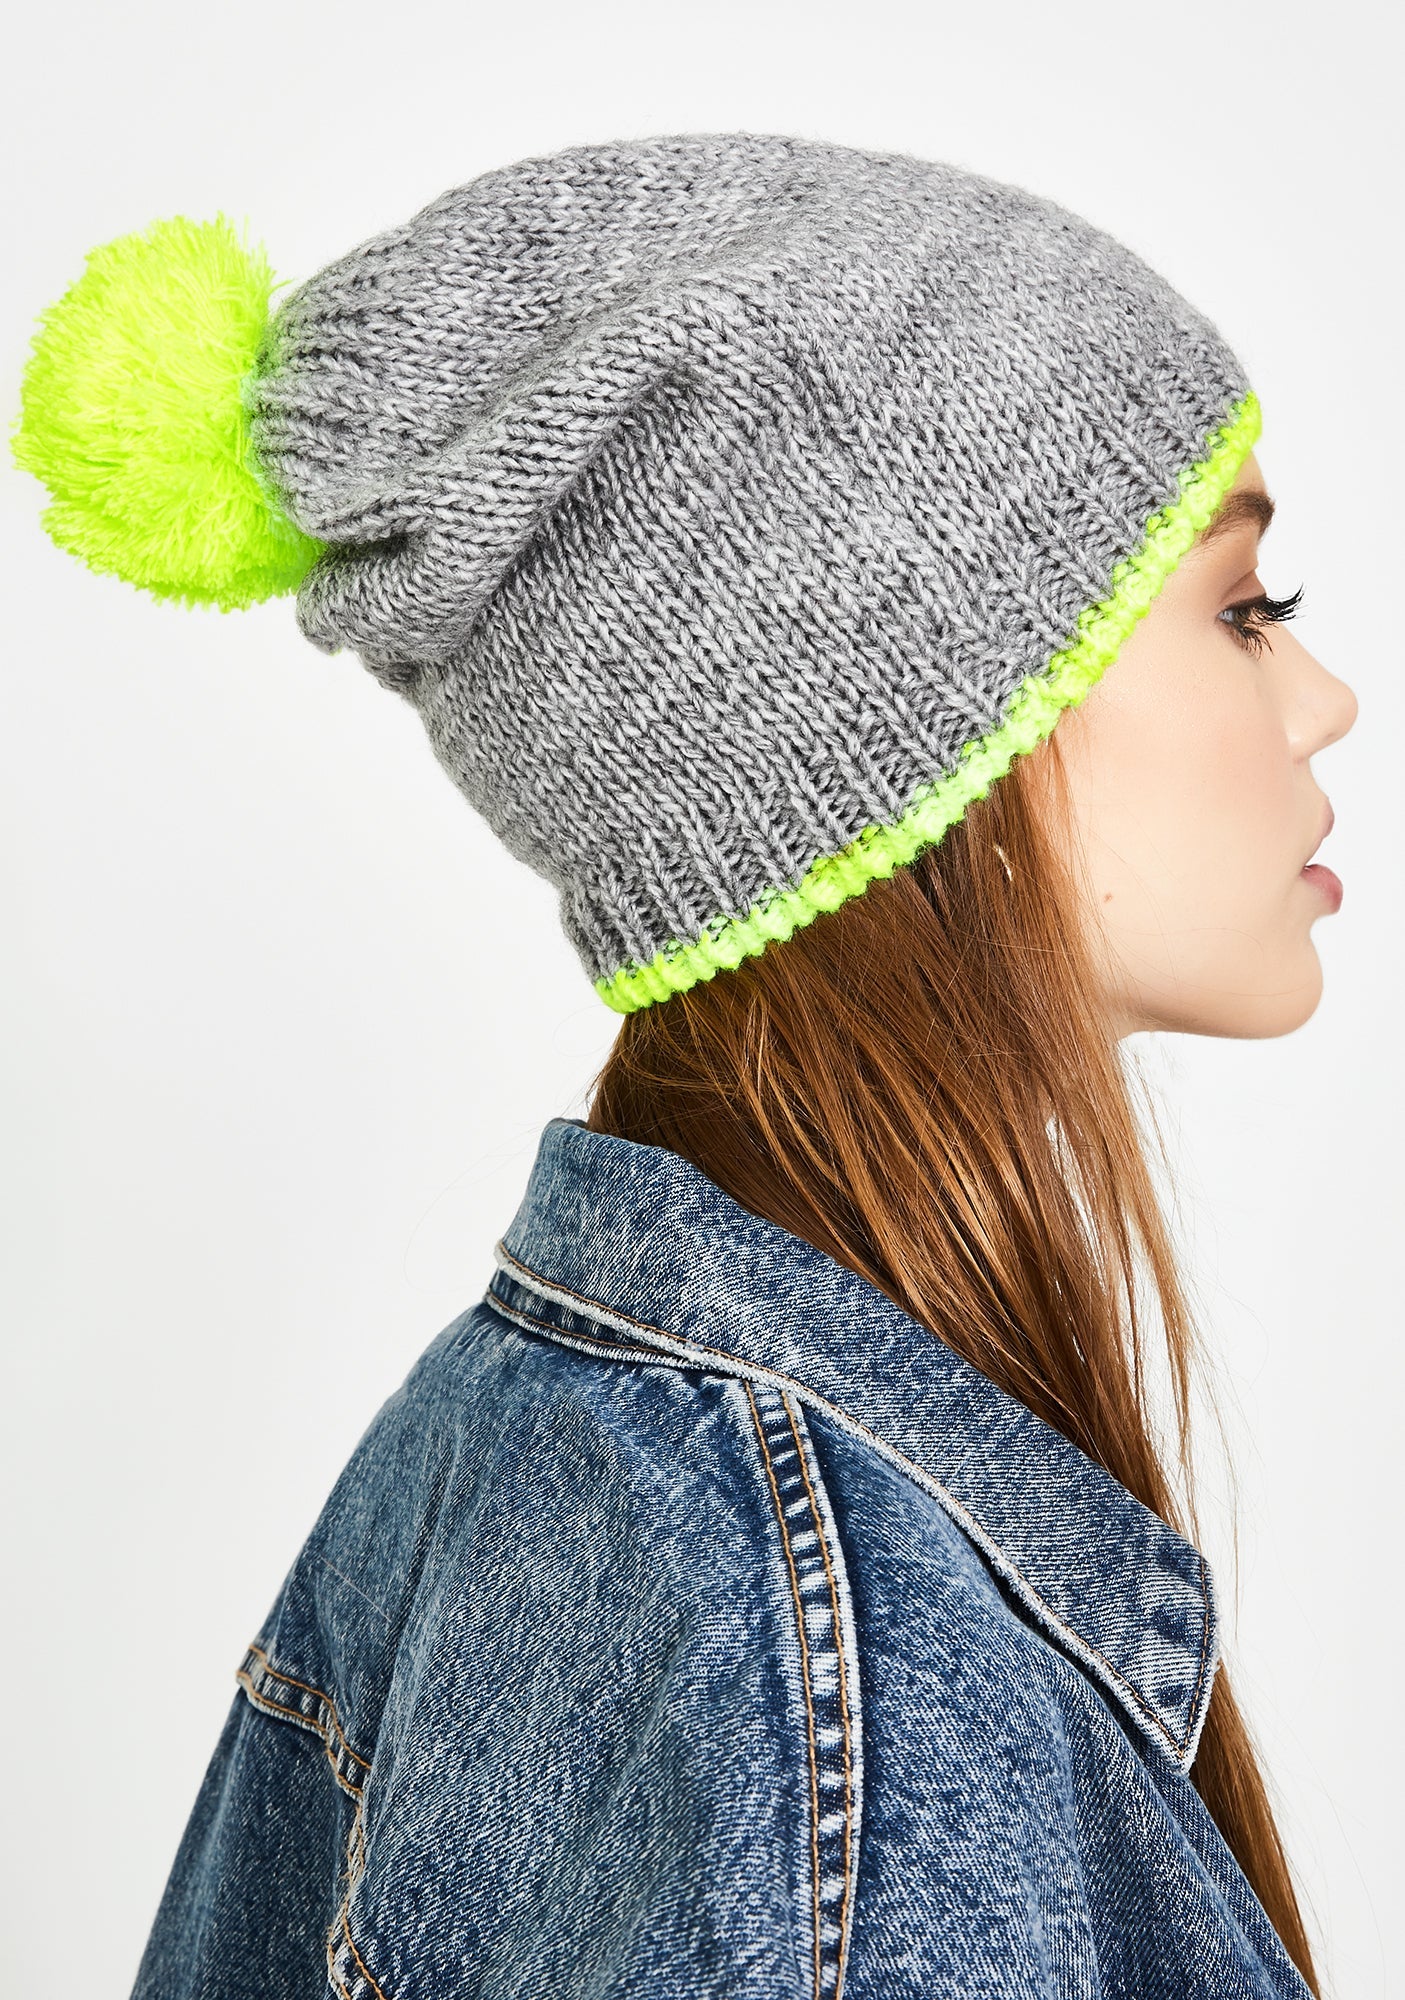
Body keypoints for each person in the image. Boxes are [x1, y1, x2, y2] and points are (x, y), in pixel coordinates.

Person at [13, 132, 1356, 2000]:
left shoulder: (554, 1437)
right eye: (1240, 611)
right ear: (920, 747)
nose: (1322, 699)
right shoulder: (841, 1703)